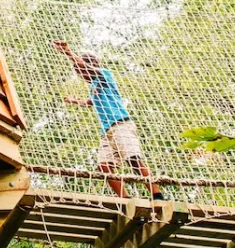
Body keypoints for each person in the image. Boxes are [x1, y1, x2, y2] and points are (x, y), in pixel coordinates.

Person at [54, 40, 164, 200]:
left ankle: (157, 195)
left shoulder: (104, 74)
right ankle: (125, 199)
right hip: (107, 131)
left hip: (121, 124)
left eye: (80, 71)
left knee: (133, 159)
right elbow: (92, 101)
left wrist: (68, 53)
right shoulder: (93, 86)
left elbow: (87, 68)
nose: (81, 75)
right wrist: (75, 101)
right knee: (104, 166)